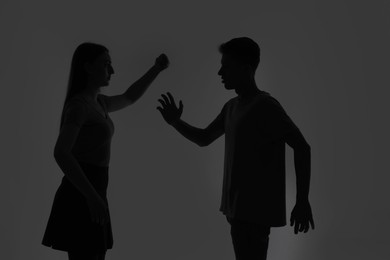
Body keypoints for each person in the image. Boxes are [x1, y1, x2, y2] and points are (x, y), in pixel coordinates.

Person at [157, 37, 314, 260]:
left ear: (246, 69)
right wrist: (175, 122)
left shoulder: (266, 106)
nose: (220, 73)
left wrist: (302, 201)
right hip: (236, 210)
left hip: (255, 213)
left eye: (226, 67)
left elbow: (302, 147)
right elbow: (204, 138)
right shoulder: (231, 107)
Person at [42, 42, 169, 260]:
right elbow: (61, 152)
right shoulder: (79, 106)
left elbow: (129, 97)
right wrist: (91, 196)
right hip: (82, 192)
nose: (112, 70)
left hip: (95, 189)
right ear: (88, 67)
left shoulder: (98, 102)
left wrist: (156, 69)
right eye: (106, 64)